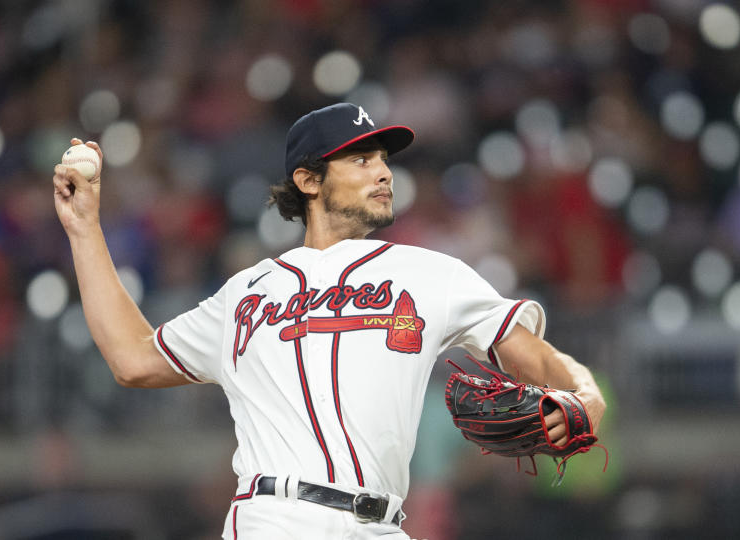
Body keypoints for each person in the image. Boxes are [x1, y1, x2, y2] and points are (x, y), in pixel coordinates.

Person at [51, 103, 606, 539]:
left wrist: (584, 392)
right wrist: (84, 230)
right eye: (361, 160)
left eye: (384, 160)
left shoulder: (429, 273)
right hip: (274, 519)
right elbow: (132, 358)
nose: (384, 172)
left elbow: (525, 349)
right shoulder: (246, 291)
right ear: (309, 180)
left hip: (382, 524)